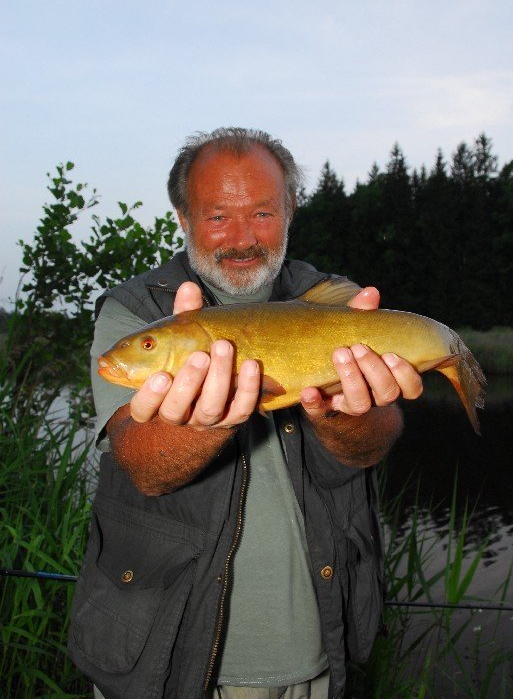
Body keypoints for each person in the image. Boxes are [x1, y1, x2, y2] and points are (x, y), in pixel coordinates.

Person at [68, 127, 423, 699]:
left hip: (318, 649)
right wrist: (210, 422)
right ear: (182, 218)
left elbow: (372, 443)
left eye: (262, 213)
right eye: (216, 217)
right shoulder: (136, 313)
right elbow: (142, 464)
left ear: (290, 211)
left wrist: (339, 412)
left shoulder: (335, 302)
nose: (241, 239)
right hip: (167, 654)